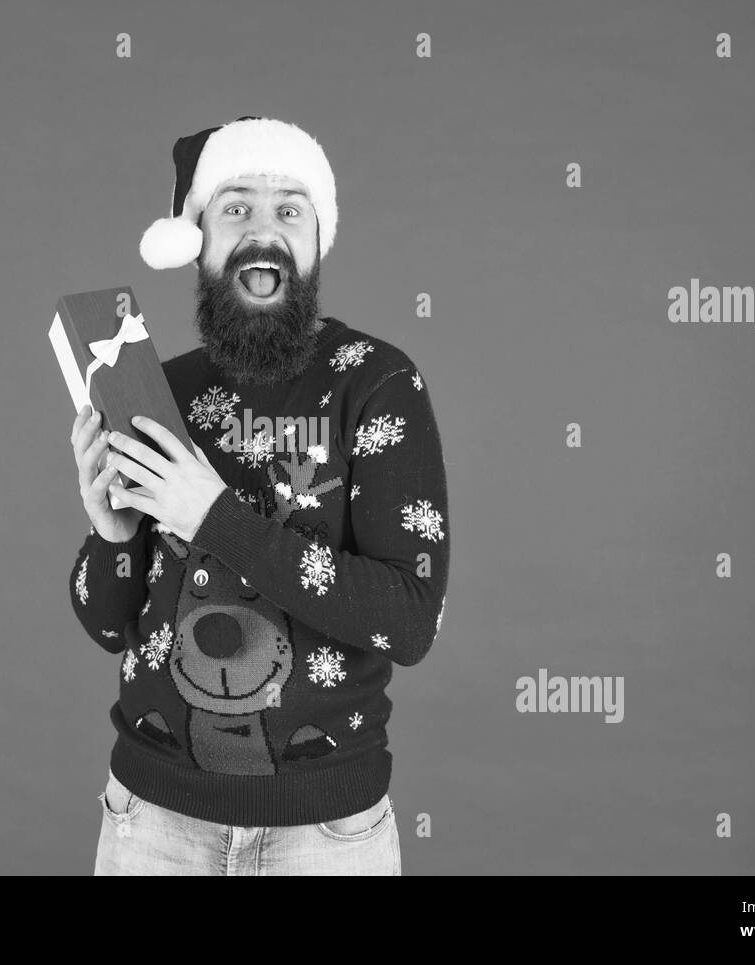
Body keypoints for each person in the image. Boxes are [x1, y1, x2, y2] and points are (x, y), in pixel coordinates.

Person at [68, 116, 450, 875]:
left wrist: (213, 518)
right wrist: (111, 538)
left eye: (290, 208)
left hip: (326, 834)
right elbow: (109, 626)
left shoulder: (376, 383)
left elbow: (409, 620)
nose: (263, 230)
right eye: (236, 207)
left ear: (316, 240)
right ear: (202, 239)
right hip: (152, 824)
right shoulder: (155, 388)